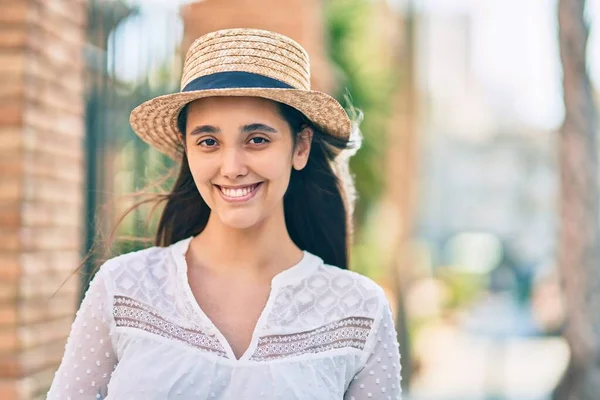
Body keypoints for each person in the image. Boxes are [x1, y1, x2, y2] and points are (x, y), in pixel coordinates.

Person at [46, 28, 402, 399]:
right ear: (188, 150)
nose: (231, 167)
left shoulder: (360, 311)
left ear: (300, 146)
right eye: (209, 142)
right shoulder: (123, 287)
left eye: (257, 140)